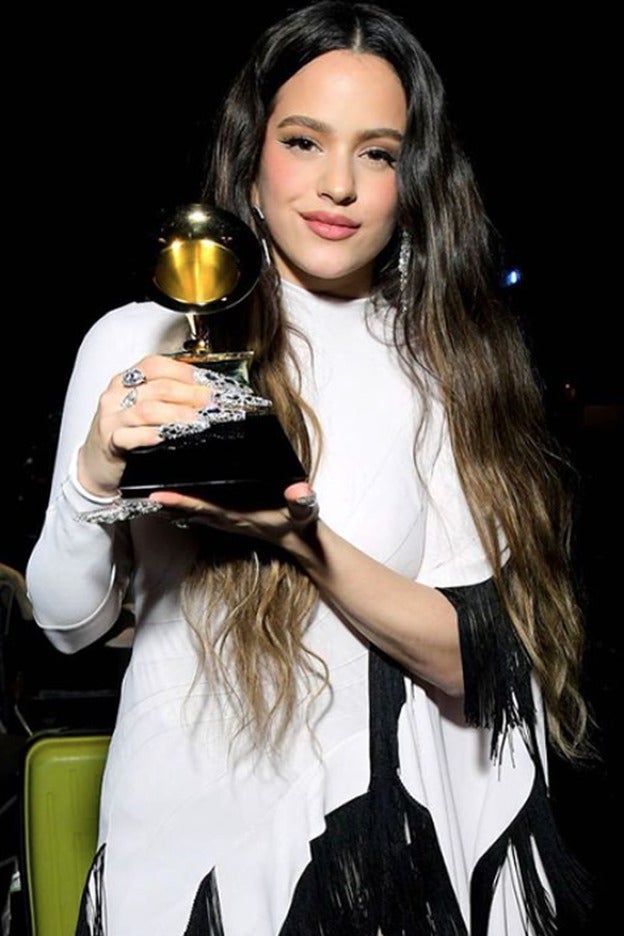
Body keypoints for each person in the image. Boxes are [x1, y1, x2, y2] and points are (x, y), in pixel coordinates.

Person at [25, 2, 592, 933]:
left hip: (381, 853)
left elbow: (477, 660)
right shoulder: (139, 341)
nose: (338, 185)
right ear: (251, 161)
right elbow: (63, 624)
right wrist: (94, 469)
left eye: (378, 153)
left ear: (415, 180)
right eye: (304, 141)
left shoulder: (441, 359)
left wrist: (297, 537)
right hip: (181, 841)